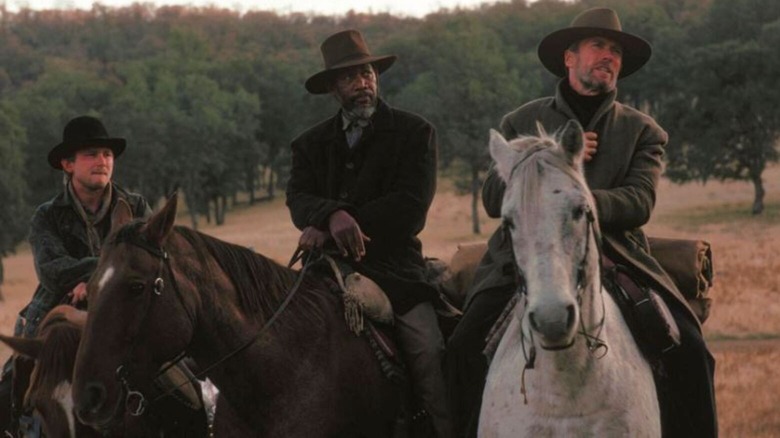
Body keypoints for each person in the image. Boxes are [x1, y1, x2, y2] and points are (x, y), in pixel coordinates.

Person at [446, 7, 717, 438]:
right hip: (525, 255)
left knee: (692, 350)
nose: (608, 56)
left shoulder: (643, 130)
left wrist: (576, 196)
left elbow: (640, 200)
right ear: (569, 58)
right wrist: (545, 159)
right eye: (598, 47)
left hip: (617, 255)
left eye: (615, 51)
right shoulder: (520, 122)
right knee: (461, 347)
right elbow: (494, 200)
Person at [286, 29, 453, 437]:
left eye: (367, 74)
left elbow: (411, 210)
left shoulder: (415, 133)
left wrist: (334, 224)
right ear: (332, 87)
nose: (362, 84)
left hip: (396, 273)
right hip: (325, 273)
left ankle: (450, 429)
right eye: (349, 78)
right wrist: (331, 214)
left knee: (429, 353)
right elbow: (298, 199)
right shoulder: (309, 145)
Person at [0, 115, 151, 434]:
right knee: (14, 383)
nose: (102, 161)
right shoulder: (47, 215)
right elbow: (53, 272)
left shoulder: (136, 208)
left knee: (189, 379)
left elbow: (152, 261)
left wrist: (96, 281)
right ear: (67, 164)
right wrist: (105, 271)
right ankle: (20, 426)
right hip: (57, 311)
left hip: (127, 309)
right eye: (91, 154)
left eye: (107, 155)